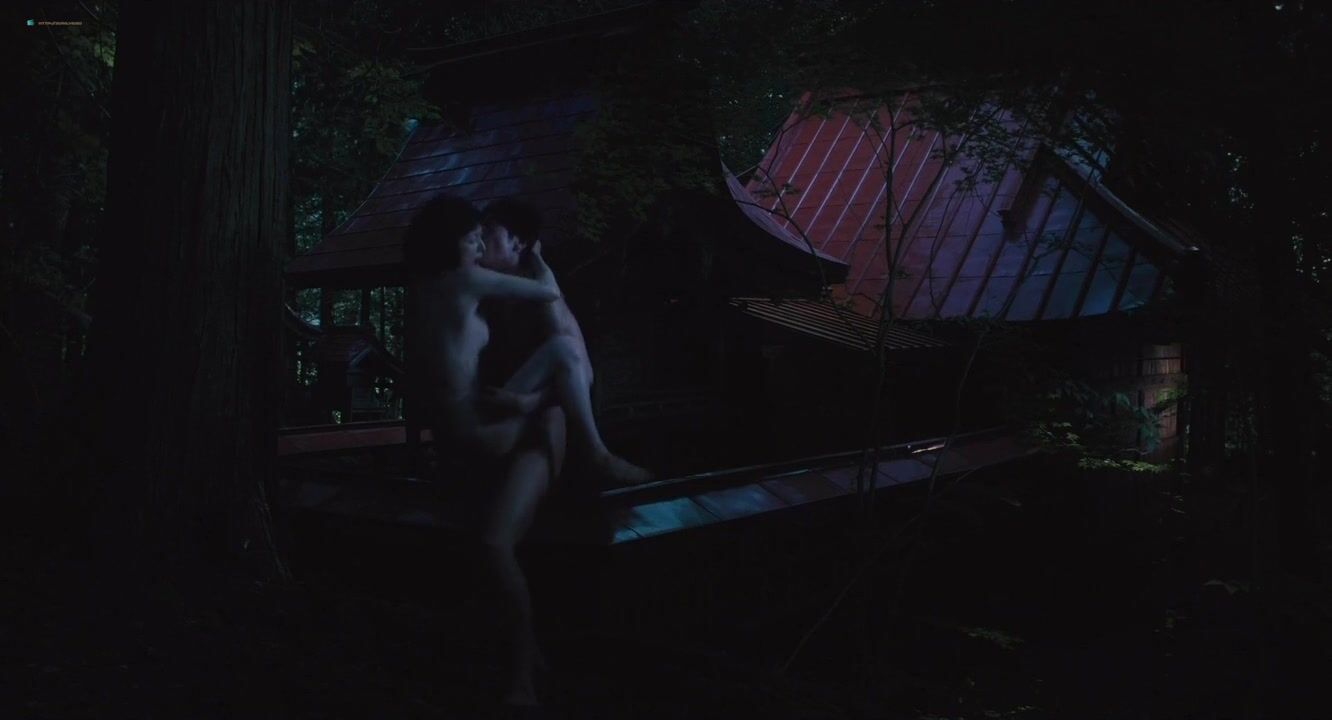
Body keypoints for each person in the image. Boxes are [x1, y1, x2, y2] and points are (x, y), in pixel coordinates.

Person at [402, 195, 564, 709]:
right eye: (472, 238)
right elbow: (547, 292)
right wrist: (535, 255)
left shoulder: (420, 291)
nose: (478, 247)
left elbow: (423, 383)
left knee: (556, 361)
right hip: (481, 436)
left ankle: (526, 654)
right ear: (449, 242)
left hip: (456, 436)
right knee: (561, 356)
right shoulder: (465, 281)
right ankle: (523, 671)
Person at [478, 197, 653, 487]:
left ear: (517, 243)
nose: (479, 237)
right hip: (492, 412)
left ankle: (595, 462)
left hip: (540, 411)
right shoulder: (481, 292)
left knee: (553, 414)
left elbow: (579, 368)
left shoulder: (543, 297)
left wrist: (529, 402)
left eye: (488, 229)